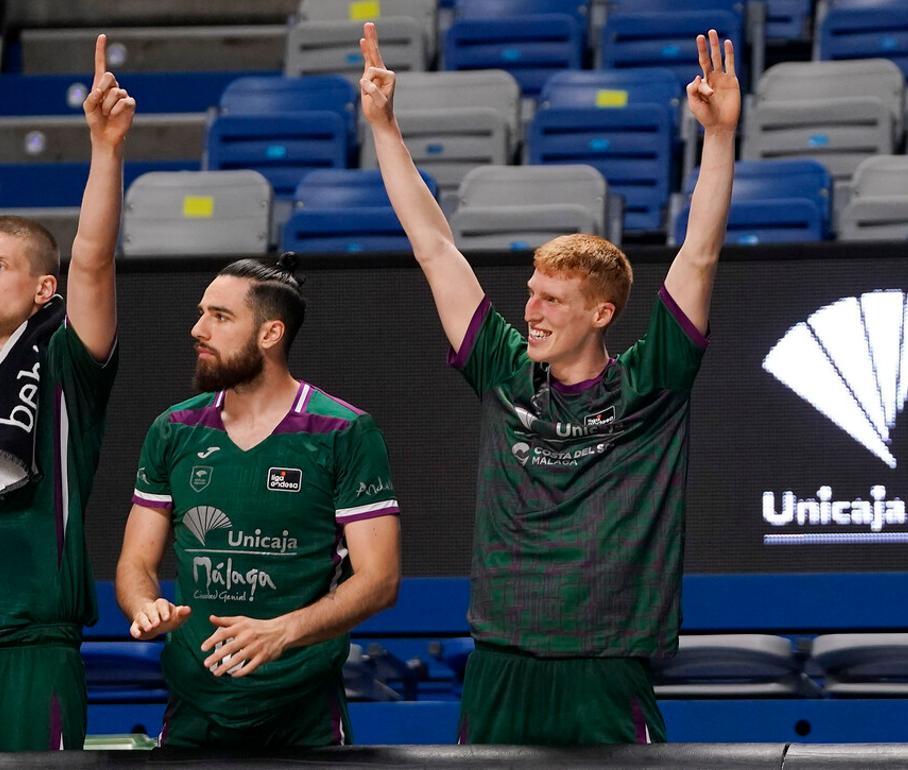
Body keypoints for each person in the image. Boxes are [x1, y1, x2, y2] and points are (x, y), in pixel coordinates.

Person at [359, 21, 737, 744]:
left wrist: (717, 137)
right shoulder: (504, 371)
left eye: (551, 299)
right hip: (501, 662)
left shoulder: (651, 385)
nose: (529, 310)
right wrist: (383, 125)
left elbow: (700, 254)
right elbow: (435, 247)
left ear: (601, 312)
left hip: (606, 667)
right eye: (529, 293)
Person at [114, 257, 401, 748]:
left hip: (303, 714)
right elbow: (136, 561)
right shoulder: (173, 429)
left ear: (270, 334)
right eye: (202, 313)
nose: (198, 329)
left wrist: (281, 632)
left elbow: (380, 580)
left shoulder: (344, 431)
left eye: (220, 317)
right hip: (193, 709)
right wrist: (145, 607)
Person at [0, 35, 132, 752]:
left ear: (41, 289)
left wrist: (105, 149)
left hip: (30, 644)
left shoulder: (63, 360)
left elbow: (93, 259)